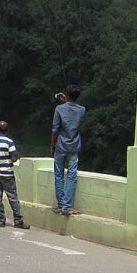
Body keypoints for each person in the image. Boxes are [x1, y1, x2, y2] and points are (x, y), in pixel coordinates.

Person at [51, 84, 87, 215]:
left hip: (60, 145)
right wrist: (67, 101)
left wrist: (52, 146)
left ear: (65, 94)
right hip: (74, 145)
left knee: (59, 175)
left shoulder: (59, 109)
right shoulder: (82, 110)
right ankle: (67, 206)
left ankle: (61, 204)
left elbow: (55, 129)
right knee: (72, 175)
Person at [0, 120, 29, 229]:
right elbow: (14, 158)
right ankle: (18, 220)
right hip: (7, 173)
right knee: (12, 197)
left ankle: (1, 219)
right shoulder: (9, 142)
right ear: (7, 130)